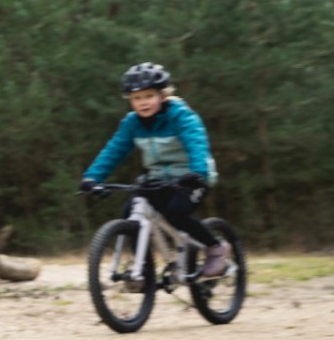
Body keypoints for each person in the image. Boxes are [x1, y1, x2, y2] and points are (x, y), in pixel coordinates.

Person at [80, 62, 227, 277]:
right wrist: (92, 178)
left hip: (192, 176)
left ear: (163, 95)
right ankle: (142, 270)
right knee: (130, 212)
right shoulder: (132, 123)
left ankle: (215, 247)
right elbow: (113, 150)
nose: (142, 103)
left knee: (175, 212)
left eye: (148, 96)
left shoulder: (181, 116)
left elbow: (196, 143)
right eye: (136, 98)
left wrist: (198, 172)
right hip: (157, 178)